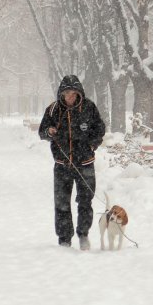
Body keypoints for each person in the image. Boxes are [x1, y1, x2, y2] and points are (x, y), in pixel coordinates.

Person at [39, 75, 106, 250]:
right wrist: (49, 131)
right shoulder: (53, 110)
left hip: (85, 163)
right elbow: (42, 132)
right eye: (66, 93)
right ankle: (64, 238)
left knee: (85, 201)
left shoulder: (89, 107)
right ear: (61, 94)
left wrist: (92, 144)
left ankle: (83, 234)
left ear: (79, 93)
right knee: (62, 203)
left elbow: (100, 129)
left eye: (73, 93)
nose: (70, 97)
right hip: (62, 164)